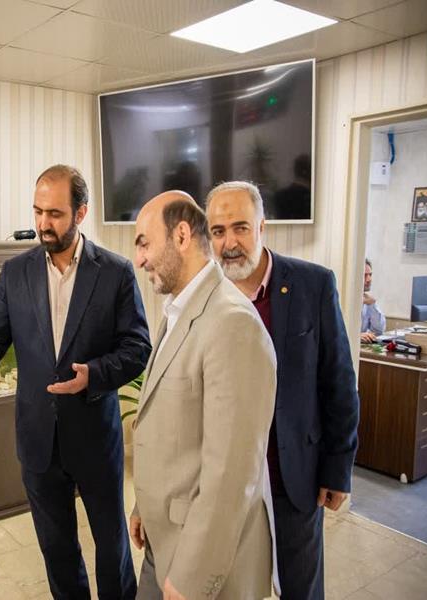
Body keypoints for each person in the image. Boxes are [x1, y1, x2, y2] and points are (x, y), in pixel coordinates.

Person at [0, 165, 151, 599]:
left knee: (112, 547)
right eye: (38, 211)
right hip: (38, 439)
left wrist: (94, 375)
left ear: (81, 213)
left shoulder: (116, 272)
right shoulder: (16, 273)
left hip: (95, 437)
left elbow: (138, 347)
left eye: (55, 214)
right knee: (56, 549)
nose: (43, 223)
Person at [205, 181, 360, 600]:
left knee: (300, 588)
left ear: (262, 227)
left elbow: (339, 382)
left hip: (293, 476)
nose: (229, 243)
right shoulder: (203, 295)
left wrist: (337, 468)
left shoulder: (313, 285)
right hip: (226, 483)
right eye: (218, 231)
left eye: (240, 227)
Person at [130, 192, 277, 600]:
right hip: (163, 536)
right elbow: (171, 428)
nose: (139, 260)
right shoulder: (180, 309)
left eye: (144, 243)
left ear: (181, 236)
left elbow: (231, 474)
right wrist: (145, 506)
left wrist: (192, 579)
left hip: (200, 559)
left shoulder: (232, 323)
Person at [360, 258, 386, 343]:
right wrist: (356, 336)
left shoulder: (367, 299)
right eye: (365, 275)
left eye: (370, 275)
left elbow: (379, 331)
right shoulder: (344, 298)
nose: (369, 279)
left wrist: (372, 304)